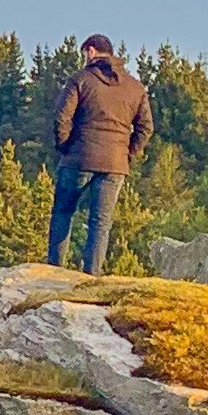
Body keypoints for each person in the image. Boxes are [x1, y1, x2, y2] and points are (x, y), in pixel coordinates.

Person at [49, 34, 152, 270]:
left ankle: (54, 270)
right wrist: (128, 153)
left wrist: (65, 146)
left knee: (63, 212)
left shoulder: (80, 80)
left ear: (91, 51)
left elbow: (61, 117)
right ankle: (91, 277)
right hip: (115, 163)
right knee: (100, 222)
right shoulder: (135, 87)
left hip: (78, 158)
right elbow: (146, 127)